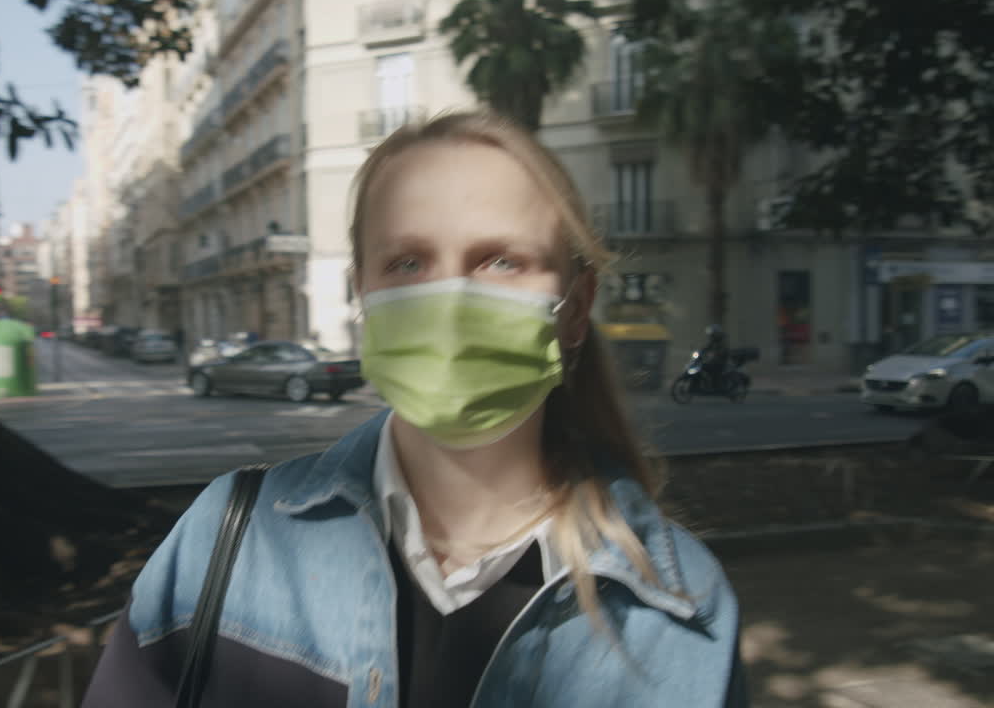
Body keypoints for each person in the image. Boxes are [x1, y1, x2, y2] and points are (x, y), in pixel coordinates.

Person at [83, 111, 747, 707]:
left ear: (575, 307)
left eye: (502, 261)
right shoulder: (223, 541)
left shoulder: (684, 605)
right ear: (362, 296)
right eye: (408, 261)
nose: (452, 298)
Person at [701, 324, 730, 389]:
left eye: (712, 334)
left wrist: (717, 354)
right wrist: (701, 351)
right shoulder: (714, 341)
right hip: (715, 360)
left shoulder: (721, 341)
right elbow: (707, 347)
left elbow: (723, 350)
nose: (711, 336)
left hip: (721, 361)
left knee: (710, 368)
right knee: (703, 366)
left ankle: (716, 385)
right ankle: (709, 384)